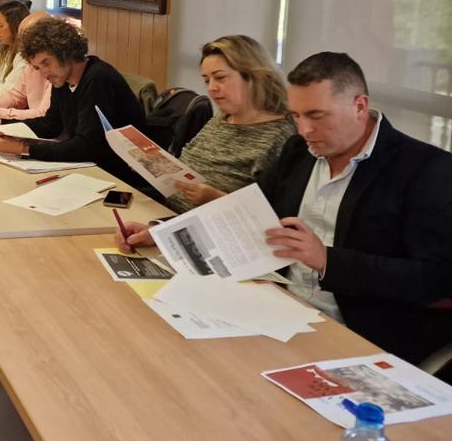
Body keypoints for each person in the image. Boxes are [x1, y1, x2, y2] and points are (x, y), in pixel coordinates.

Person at [120, 52, 452, 366]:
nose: (304, 129)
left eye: (316, 116)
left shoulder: (426, 170)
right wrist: (162, 232)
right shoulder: (299, 151)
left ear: (359, 106)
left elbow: (434, 280)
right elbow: (244, 214)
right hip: (277, 307)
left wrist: (326, 259)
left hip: (354, 332)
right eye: (296, 116)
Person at [0, 17, 147, 186]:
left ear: (65, 52)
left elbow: (87, 146)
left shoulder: (98, 79)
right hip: (92, 169)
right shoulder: (62, 79)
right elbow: (51, 124)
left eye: (46, 63)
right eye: (38, 67)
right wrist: (1, 124)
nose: (43, 73)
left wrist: (23, 149)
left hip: (122, 177)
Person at [162, 35, 295, 213]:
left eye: (220, 78)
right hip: (165, 214)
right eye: (207, 80)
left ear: (253, 76)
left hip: (211, 230)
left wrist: (215, 199)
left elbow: (268, 212)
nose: (211, 88)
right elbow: (190, 159)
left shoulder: (281, 135)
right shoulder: (223, 117)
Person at [0, 11, 52, 123]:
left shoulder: (55, 70)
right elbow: (16, 96)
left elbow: (43, 115)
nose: (22, 44)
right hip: (34, 127)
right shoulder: (30, 61)